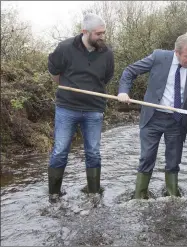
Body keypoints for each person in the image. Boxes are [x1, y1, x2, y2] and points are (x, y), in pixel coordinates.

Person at [117, 32, 187, 199]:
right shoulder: (158, 57)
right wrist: (124, 92)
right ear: (177, 52)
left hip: (177, 121)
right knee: (147, 158)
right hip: (152, 117)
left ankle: (173, 198)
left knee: (173, 162)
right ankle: (139, 198)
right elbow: (130, 71)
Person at [47, 13, 114, 196]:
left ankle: (93, 192)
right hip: (66, 108)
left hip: (94, 109)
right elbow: (54, 72)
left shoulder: (107, 53)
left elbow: (106, 77)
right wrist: (66, 87)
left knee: (93, 151)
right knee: (60, 150)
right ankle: (54, 194)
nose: (102, 37)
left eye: (103, 33)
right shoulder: (65, 48)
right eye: (98, 34)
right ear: (85, 31)